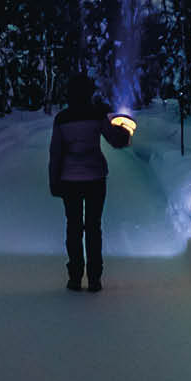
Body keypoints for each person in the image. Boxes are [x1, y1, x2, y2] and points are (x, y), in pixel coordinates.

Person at [48, 72, 132, 292]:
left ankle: (75, 277)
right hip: (95, 177)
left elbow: (55, 153)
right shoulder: (97, 115)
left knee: (73, 227)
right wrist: (124, 131)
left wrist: (54, 181)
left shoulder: (62, 119)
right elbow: (115, 140)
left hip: (69, 179)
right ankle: (95, 278)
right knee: (94, 227)